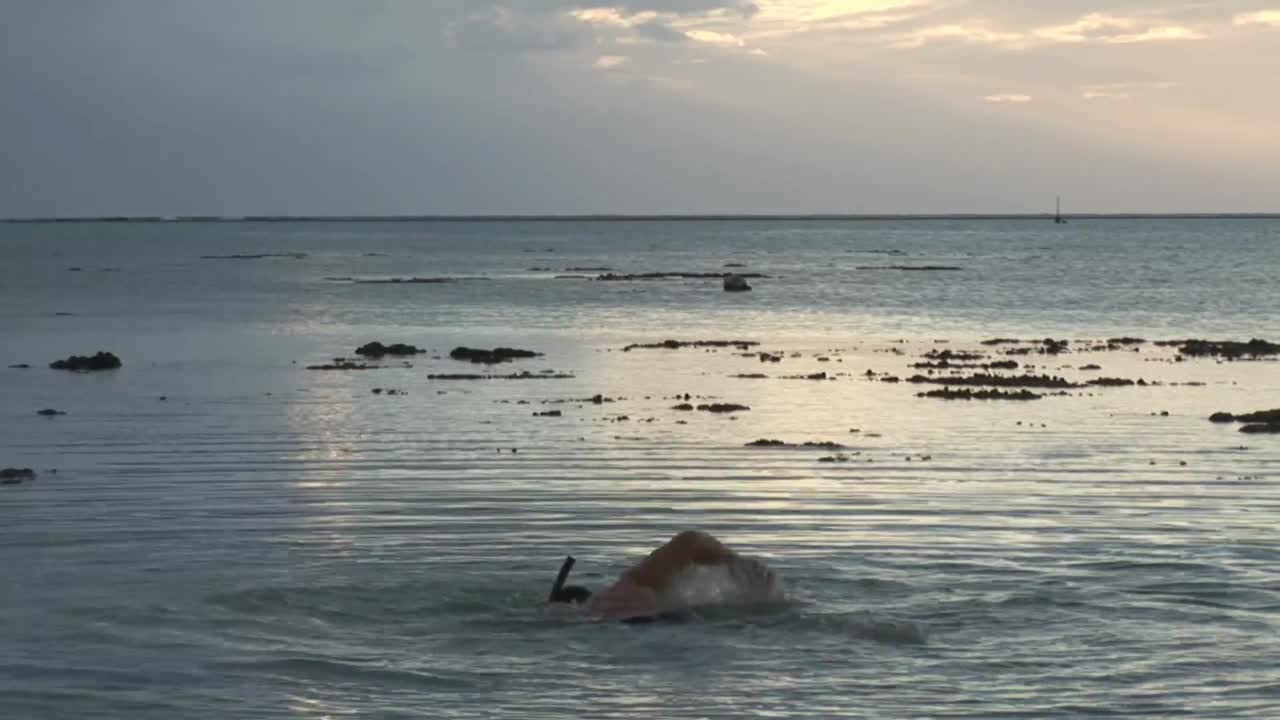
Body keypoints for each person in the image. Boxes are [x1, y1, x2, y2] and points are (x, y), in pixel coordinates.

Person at [550, 530, 782, 621]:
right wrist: (733, 561)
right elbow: (690, 540)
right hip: (658, 621)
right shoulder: (636, 582)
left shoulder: (604, 605)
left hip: (656, 628)